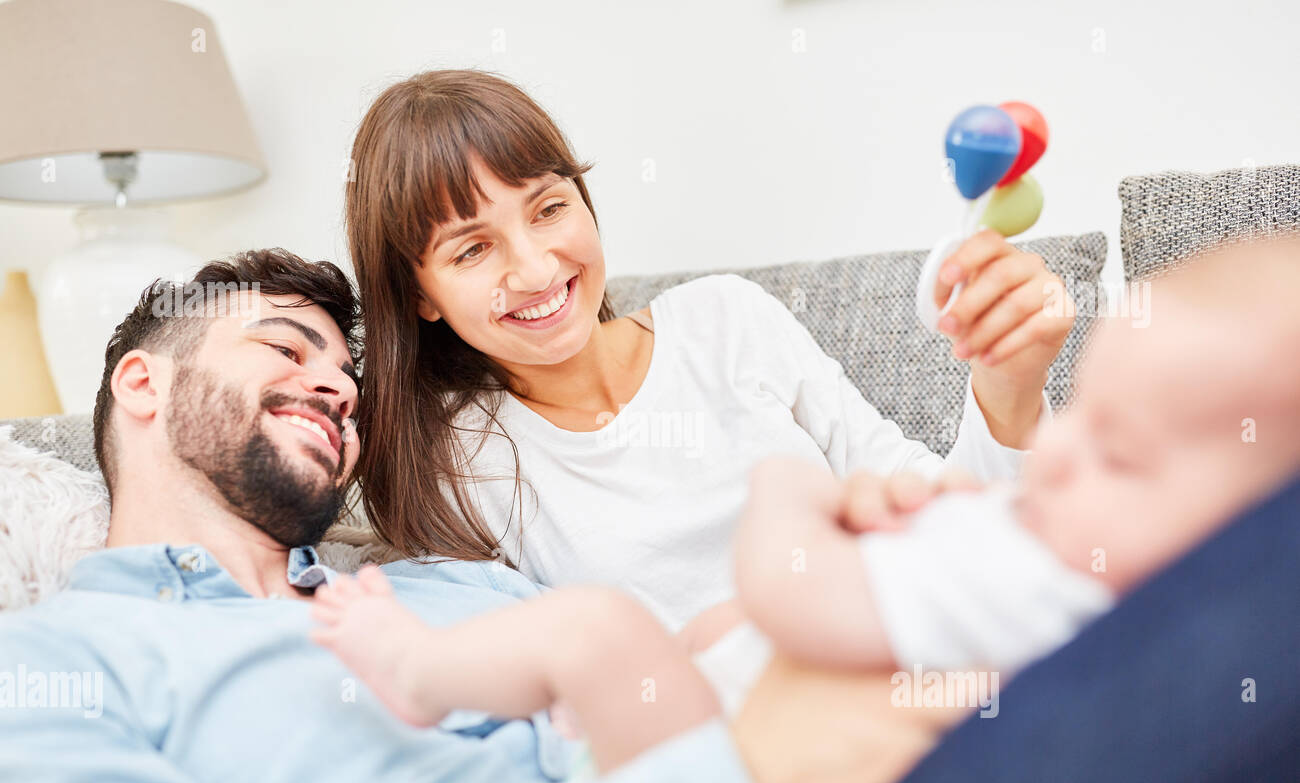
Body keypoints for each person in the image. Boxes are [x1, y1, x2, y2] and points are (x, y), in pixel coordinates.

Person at [0, 248, 968, 783]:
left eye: (346, 379)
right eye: (287, 348)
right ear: (142, 381)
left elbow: (672, 684)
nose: (335, 389)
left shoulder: (455, 580)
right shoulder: (49, 664)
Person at [343, 69, 1077, 632]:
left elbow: (959, 521)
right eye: (472, 249)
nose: (535, 268)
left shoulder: (727, 320)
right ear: (419, 295)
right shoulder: (457, 458)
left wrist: (1009, 386)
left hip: (909, 652)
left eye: (549, 207)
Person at [728, 233, 1300, 688]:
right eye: (1076, 409)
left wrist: (783, 486)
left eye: (1116, 454)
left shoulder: (1046, 588)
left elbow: (787, 587)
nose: (1047, 448)